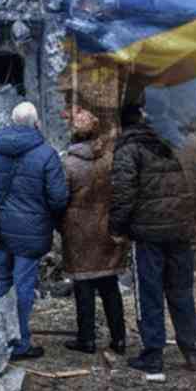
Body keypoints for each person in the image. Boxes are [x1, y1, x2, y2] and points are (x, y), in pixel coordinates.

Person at [110, 99, 196, 374]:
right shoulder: (187, 145)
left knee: (149, 293)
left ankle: (153, 353)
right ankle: (191, 351)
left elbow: (122, 192)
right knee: (181, 291)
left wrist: (117, 228)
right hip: (181, 231)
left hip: (147, 234)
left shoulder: (131, 147)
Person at [0, 102, 68, 361]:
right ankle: (20, 343)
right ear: (36, 123)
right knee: (23, 284)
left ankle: (1, 337)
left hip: (1, 227)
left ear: (11, 121)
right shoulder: (47, 154)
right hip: (32, 229)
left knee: (2, 281)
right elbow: (59, 198)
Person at [59, 106, 127, 355]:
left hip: (78, 232)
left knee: (83, 285)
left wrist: (62, 224)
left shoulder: (67, 164)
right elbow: (122, 192)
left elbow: (59, 199)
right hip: (106, 227)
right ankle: (119, 338)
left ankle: (86, 339)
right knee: (110, 284)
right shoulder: (111, 158)